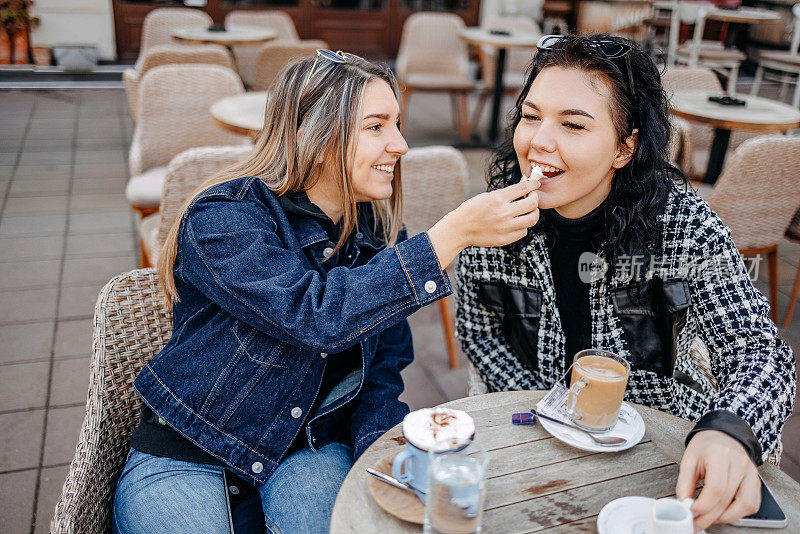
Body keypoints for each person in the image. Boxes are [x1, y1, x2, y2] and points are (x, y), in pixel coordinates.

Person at [111, 50, 541, 534]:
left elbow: (382, 370)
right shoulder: (224, 218)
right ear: (313, 139)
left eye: (396, 124)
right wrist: (449, 236)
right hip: (193, 452)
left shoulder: (379, 235)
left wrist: (384, 459)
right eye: (376, 127)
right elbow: (313, 314)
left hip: (308, 449)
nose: (400, 144)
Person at [455, 34, 795, 531]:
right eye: (531, 116)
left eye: (572, 124)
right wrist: (538, 412)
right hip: (538, 452)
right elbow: (480, 332)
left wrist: (728, 429)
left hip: (662, 457)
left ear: (623, 147)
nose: (538, 141)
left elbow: (757, 348)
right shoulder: (490, 223)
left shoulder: (682, 226)